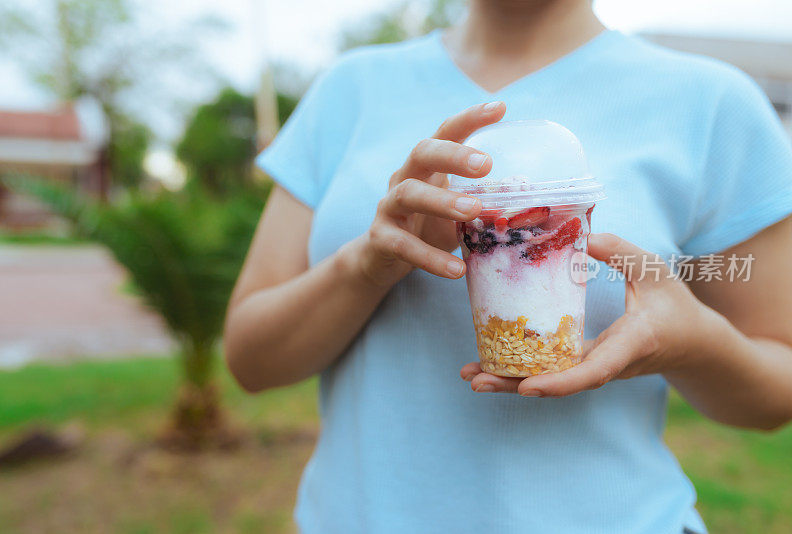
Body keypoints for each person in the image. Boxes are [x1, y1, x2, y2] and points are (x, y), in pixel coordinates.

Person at [223, 1, 792, 532]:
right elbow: (252, 361)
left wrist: (692, 344)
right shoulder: (348, 90)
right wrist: (369, 264)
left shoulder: (710, 102)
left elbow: (778, 390)